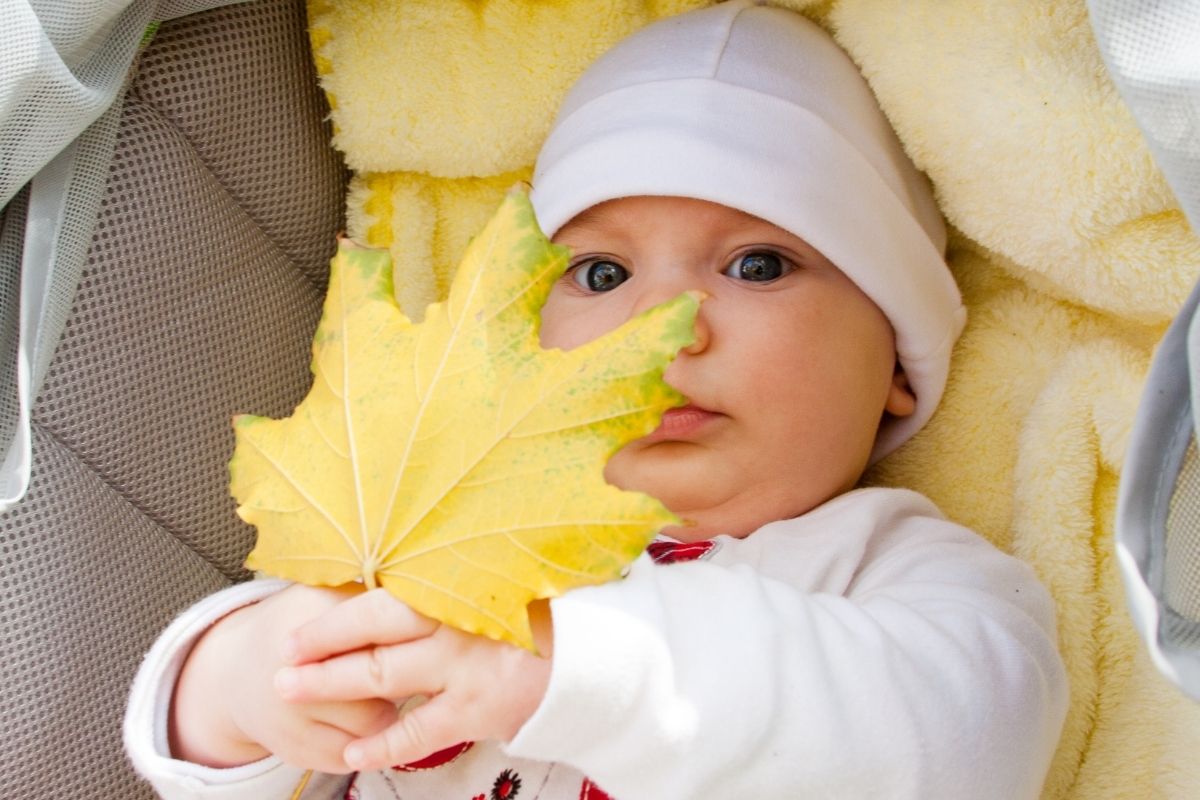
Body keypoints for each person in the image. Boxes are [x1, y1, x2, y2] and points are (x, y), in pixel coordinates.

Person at [124, 2, 1068, 798]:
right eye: (602, 272)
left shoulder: (897, 574)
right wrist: (241, 681)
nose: (661, 326)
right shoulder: (436, 528)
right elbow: (227, 738)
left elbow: (972, 739)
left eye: (758, 264)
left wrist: (586, 667)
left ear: (898, 362)